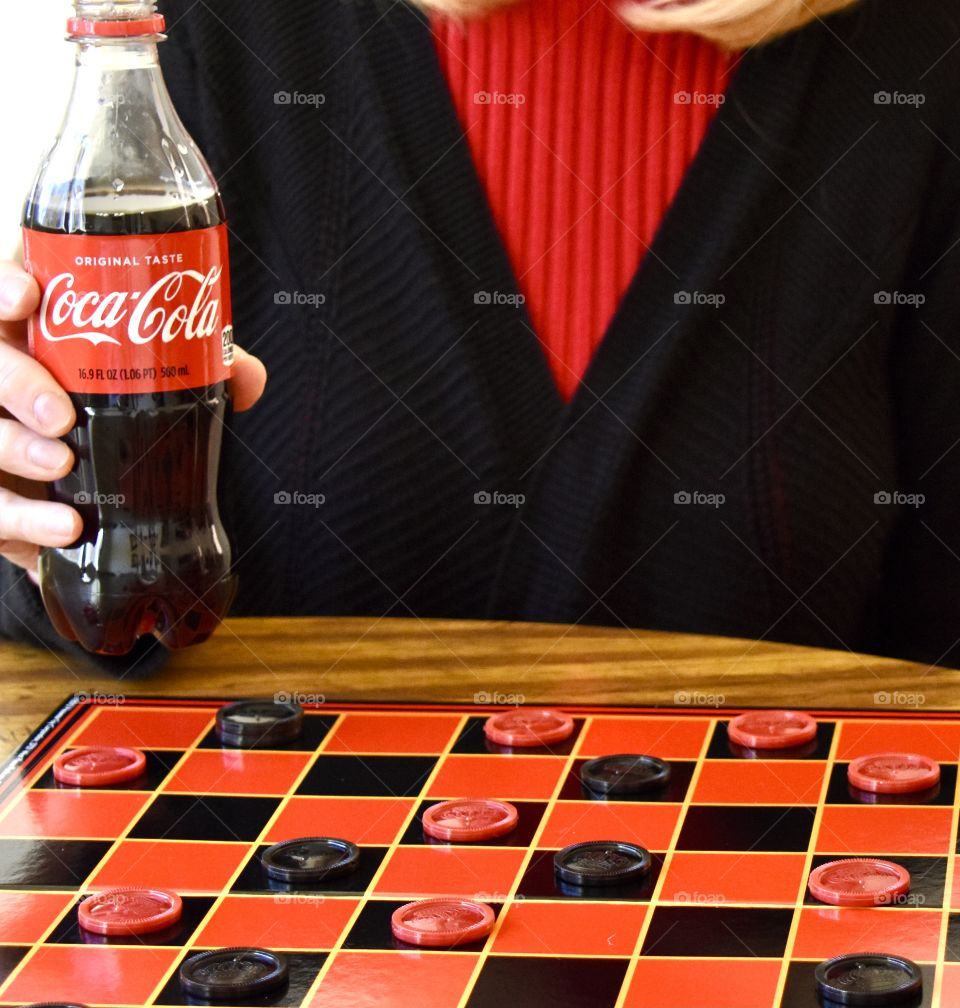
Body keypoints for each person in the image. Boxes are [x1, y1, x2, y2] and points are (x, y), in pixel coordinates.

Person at [1, 0, 959, 676]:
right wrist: (37, 509)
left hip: (779, 921)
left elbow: (933, 654)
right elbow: (126, 615)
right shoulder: (222, 29)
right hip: (292, 927)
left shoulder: (918, 55)